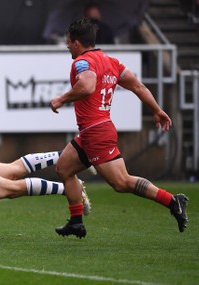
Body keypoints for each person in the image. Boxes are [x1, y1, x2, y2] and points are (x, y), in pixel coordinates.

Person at [50, 18, 188, 238]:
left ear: (76, 42)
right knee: (64, 168)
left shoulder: (82, 63)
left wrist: (61, 99)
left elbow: (87, 86)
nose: (67, 46)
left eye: (68, 41)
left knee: (121, 183)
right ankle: (76, 222)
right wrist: (156, 109)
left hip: (96, 132)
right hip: (92, 131)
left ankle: (172, 201)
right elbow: (138, 86)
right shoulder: (111, 61)